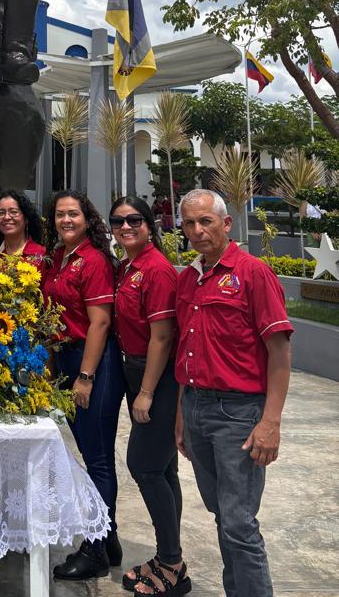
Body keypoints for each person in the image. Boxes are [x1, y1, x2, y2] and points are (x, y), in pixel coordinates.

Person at [175, 189, 292, 597]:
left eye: (205, 221)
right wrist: (181, 417)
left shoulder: (253, 273)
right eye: (189, 223)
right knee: (222, 515)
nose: (197, 230)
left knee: (240, 523)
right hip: (195, 408)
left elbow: (279, 351)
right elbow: (185, 349)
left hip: (238, 415)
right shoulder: (188, 277)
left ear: (226, 224)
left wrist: (270, 422)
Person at [42, 190, 125, 583]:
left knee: (97, 459)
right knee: (94, 454)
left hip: (92, 363)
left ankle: (95, 551)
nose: (66, 221)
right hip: (66, 358)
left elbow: (100, 322)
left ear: (85, 217)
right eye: (60, 215)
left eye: (72, 214)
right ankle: (107, 535)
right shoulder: (59, 257)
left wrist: (86, 377)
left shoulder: (91, 260)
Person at [110, 196, 189, 596]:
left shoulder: (155, 269)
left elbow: (162, 337)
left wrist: (145, 393)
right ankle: (168, 558)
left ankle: (171, 563)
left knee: (142, 466)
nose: (125, 227)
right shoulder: (128, 267)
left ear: (149, 224)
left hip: (154, 374)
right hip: (135, 368)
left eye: (134, 220)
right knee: (163, 469)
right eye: (118, 221)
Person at [0, 189, 46, 266]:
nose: (6, 217)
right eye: (1, 213)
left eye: (13, 212)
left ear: (26, 218)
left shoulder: (41, 255)